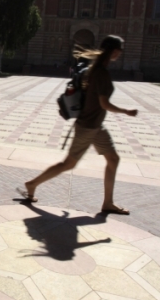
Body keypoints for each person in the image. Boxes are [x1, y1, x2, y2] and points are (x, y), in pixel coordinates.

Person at [18, 35, 138, 214]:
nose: (120, 53)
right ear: (114, 51)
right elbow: (104, 103)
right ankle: (32, 184)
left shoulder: (95, 69)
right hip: (88, 127)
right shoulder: (101, 73)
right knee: (68, 164)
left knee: (113, 159)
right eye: (119, 50)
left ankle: (108, 203)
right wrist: (126, 111)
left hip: (95, 126)